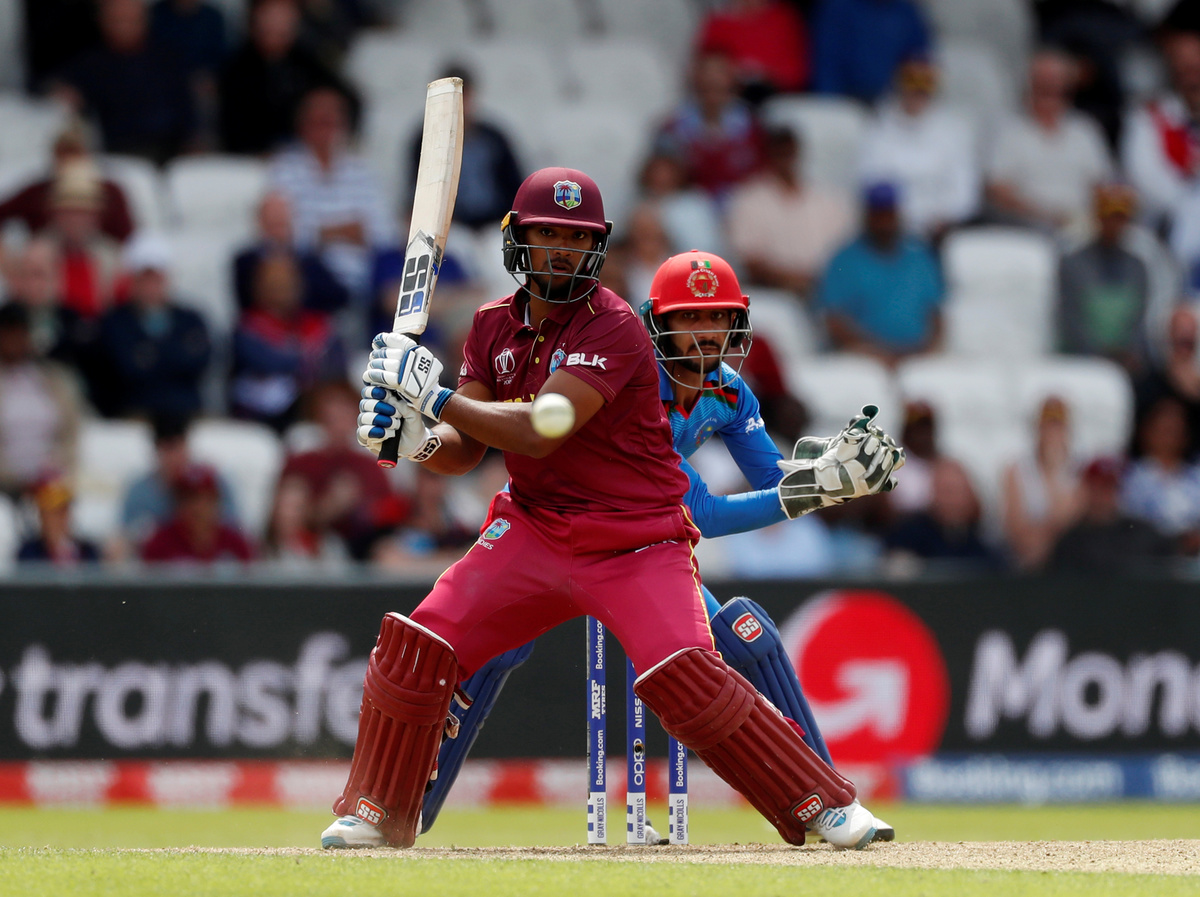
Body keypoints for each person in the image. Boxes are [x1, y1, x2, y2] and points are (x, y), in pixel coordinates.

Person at [321, 170, 899, 850]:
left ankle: (822, 804)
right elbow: (466, 448)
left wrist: (433, 398)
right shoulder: (489, 326)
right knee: (419, 646)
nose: (562, 250)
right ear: (517, 239)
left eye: (577, 237)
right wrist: (417, 439)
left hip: (637, 538)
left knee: (686, 674)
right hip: (532, 527)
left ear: (597, 246)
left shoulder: (616, 325)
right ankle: (376, 810)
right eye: (548, 234)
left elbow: (545, 426)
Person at [267, 86, 394, 302]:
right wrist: (345, 230)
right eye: (318, 122)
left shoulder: (362, 171)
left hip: (365, 274)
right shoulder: (284, 168)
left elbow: (385, 233)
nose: (325, 130)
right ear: (302, 125)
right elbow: (281, 233)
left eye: (330, 122)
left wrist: (322, 232)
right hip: (309, 273)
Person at [985, 48, 1114, 239]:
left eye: (1056, 83)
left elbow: (1102, 185)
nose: (1051, 87)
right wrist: (1049, 217)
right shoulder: (1008, 131)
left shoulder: (1085, 130)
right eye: (1043, 83)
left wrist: (1087, 220)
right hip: (1025, 228)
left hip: (1083, 227)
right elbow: (997, 190)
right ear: (1030, 85)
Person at [53, 0, 197, 164]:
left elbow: (186, 110)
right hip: (121, 153)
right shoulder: (92, 63)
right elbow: (53, 84)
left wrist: (193, 141)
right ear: (102, 21)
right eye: (118, 20)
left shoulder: (167, 57)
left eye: (132, 20)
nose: (124, 27)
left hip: (173, 151)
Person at [817, 181, 945, 366]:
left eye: (889, 213)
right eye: (879, 214)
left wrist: (928, 352)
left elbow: (936, 314)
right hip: (865, 359)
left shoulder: (919, 254)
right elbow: (833, 320)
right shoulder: (843, 260)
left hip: (918, 358)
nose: (885, 221)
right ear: (867, 215)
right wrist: (875, 352)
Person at [726, 125, 855, 300]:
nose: (785, 158)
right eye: (780, 152)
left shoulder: (825, 198)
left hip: (826, 291)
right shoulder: (749, 199)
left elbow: (845, 252)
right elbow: (750, 262)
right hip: (774, 295)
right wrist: (795, 282)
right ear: (769, 154)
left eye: (789, 152)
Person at [858, 56, 981, 242]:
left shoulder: (955, 131)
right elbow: (870, 181)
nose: (917, 96)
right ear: (899, 86)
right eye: (911, 87)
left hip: (941, 230)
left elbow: (965, 193)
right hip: (891, 230)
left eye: (923, 90)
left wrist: (941, 218)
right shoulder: (877, 129)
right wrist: (903, 219)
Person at [93, 234, 211, 420]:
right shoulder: (115, 321)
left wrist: (149, 355)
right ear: (133, 280)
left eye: (157, 278)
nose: (151, 286)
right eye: (145, 278)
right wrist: (174, 354)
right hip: (134, 412)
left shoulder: (191, 319)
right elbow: (124, 368)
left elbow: (199, 363)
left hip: (185, 411)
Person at [217, 0, 354, 155]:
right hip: (252, 156)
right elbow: (234, 129)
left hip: (303, 155)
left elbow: (346, 97)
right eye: (270, 18)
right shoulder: (236, 69)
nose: (277, 25)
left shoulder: (307, 63)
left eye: (285, 19)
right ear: (254, 21)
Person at [1057, 182, 1151, 374]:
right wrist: (1098, 357)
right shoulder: (1073, 264)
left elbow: (1138, 322)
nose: (1115, 225)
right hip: (1081, 362)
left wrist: (1128, 354)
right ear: (1098, 218)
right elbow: (1070, 321)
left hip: (1124, 364)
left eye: (1121, 219)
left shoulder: (1137, 267)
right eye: (1109, 217)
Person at [0, 122, 134, 243]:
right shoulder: (37, 192)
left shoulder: (110, 192)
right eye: (64, 155)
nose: (70, 162)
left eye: (75, 154)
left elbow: (127, 239)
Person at [1000, 396, 1085, 571]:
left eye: (1058, 426)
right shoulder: (1018, 471)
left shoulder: (1080, 470)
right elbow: (1017, 533)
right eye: (1047, 426)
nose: (1052, 433)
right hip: (1030, 563)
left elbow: (1081, 523)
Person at [811, 0, 932, 104]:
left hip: (890, 101)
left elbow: (919, 58)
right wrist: (830, 101)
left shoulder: (905, 12)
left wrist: (914, 96)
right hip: (846, 99)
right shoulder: (839, 8)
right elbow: (827, 61)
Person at [141, 463, 255, 564]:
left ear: (216, 500)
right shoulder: (159, 543)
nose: (197, 507)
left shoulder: (236, 543)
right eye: (188, 498)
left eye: (204, 499)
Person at [17, 471, 101, 566]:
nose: (55, 521)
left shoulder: (88, 551)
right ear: (40, 516)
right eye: (49, 513)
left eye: (61, 512)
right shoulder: (29, 552)